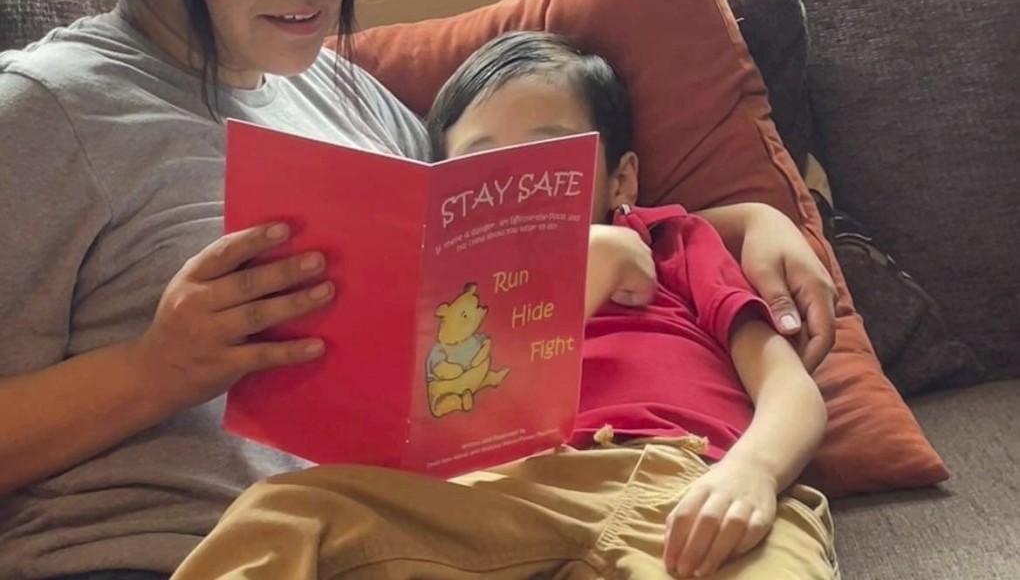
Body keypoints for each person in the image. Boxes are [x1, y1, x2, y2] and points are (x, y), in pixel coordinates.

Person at [0, 0, 837, 577]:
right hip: (156, 552)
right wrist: (152, 372)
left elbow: (510, 245)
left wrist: (747, 222)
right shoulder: (44, 112)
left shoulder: (344, 94)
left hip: (438, 536)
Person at [168, 32, 837, 580]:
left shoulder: (672, 241)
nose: (516, 181)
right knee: (282, 512)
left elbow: (789, 388)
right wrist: (584, 272)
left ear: (621, 178)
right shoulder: (447, 293)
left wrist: (753, 473)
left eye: (547, 152)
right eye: (483, 160)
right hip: (494, 495)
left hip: (690, 481)